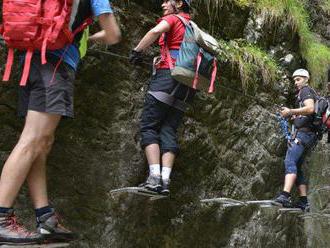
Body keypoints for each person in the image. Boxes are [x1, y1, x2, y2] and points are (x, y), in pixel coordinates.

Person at [0, 0, 121, 245]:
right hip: (55, 65)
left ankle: (45, 218)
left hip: (31, 59)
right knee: (33, 140)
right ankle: (1, 217)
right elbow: (113, 34)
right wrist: (90, 38)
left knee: (41, 144)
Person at [129, 0, 195, 195]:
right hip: (188, 85)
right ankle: (165, 181)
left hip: (168, 77)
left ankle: (154, 178)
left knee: (149, 125)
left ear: (180, 3)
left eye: (168, 1)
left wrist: (137, 51)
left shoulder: (174, 19)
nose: (163, 4)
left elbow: (155, 32)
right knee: (168, 129)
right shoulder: (192, 26)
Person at [274, 69, 318, 212]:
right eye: (294, 80)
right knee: (297, 167)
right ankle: (303, 202)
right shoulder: (307, 92)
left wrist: (291, 112)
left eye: (298, 79)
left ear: (306, 79)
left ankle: (284, 196)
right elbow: (308, 113)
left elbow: (310, 108)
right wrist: (295, 116)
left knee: (290, 161)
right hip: (309, 136)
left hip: (303, 135)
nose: (296, 82)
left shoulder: (305, 91)